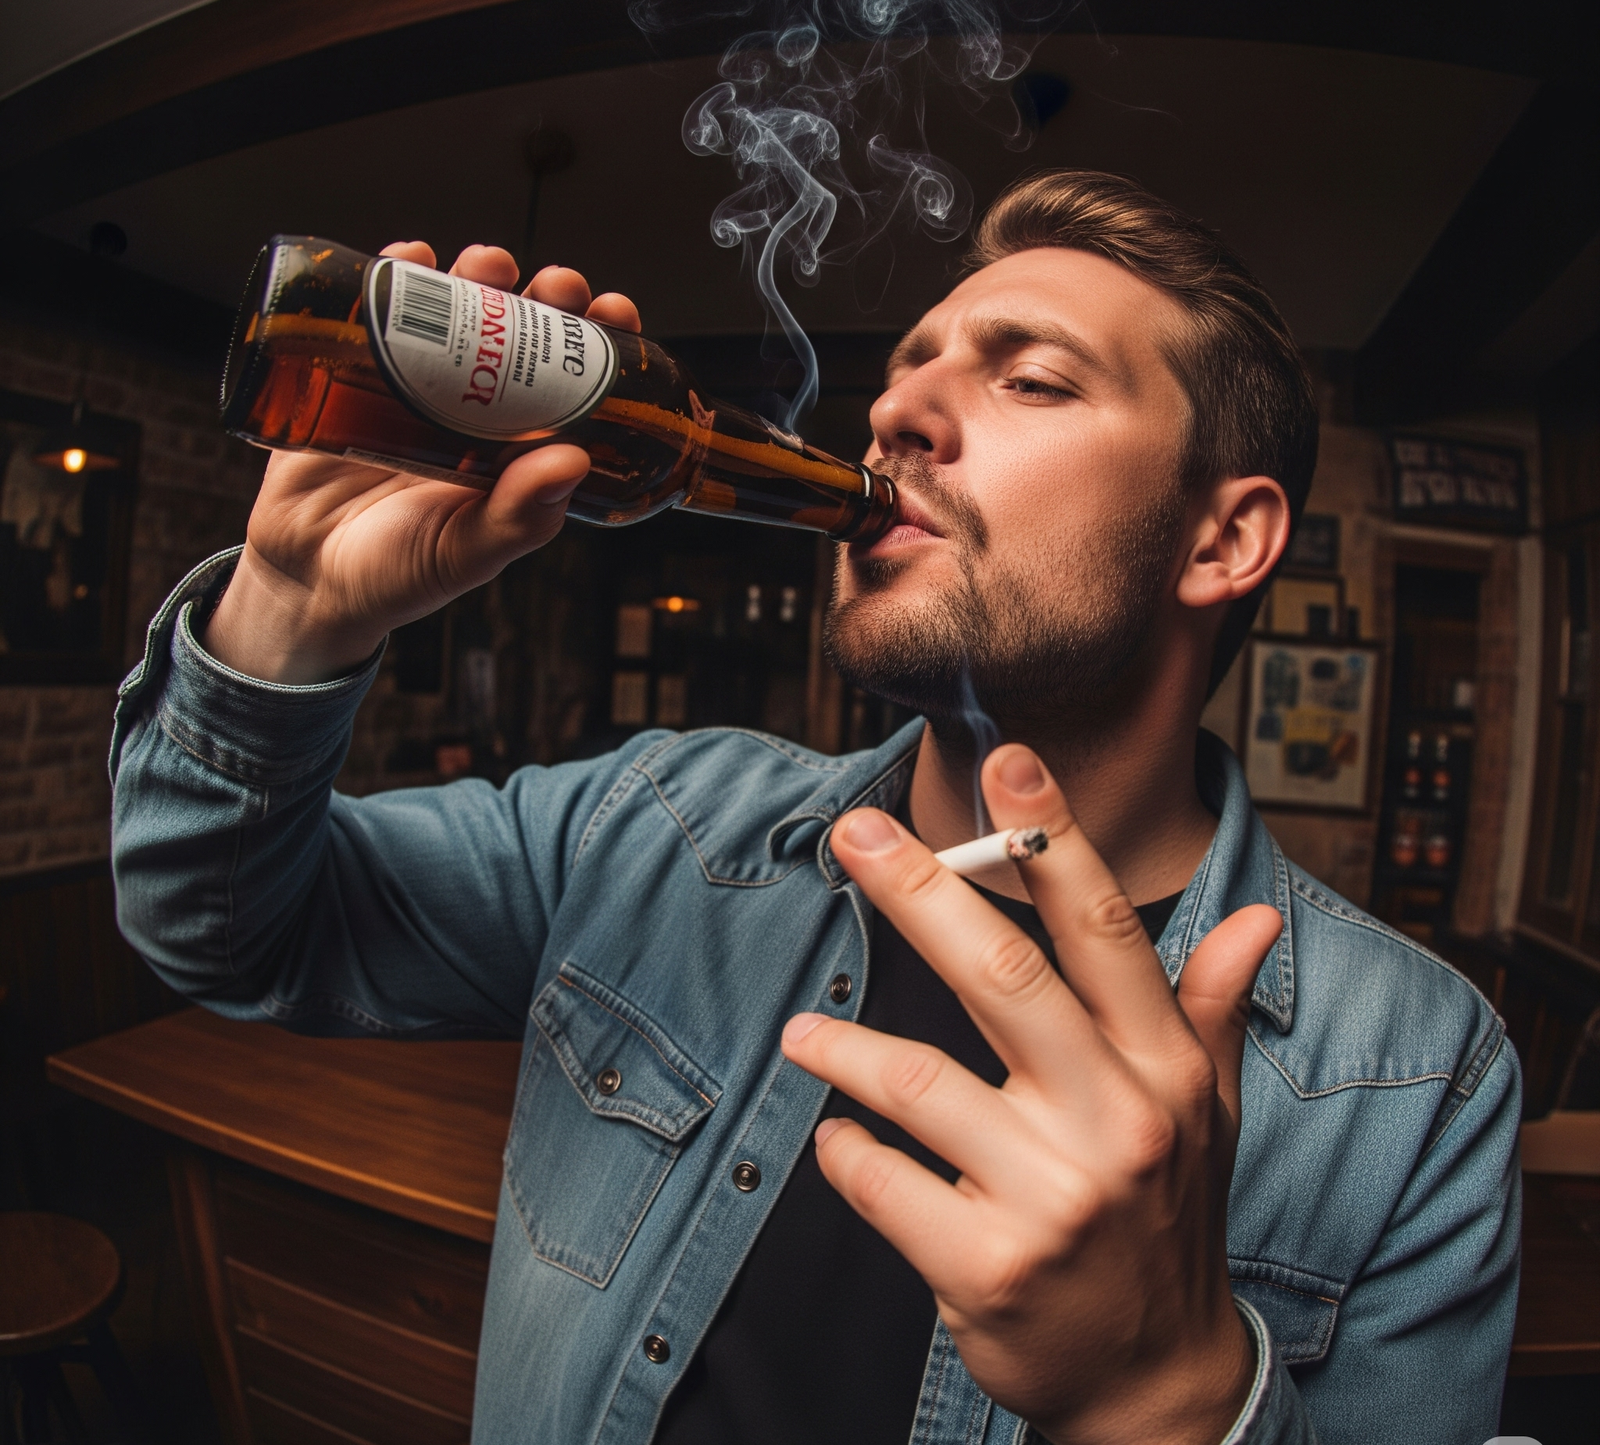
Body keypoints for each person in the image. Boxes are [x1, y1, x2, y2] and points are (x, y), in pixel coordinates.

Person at [110, 171, 1518, 1445]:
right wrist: (286, 617)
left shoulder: (1416, 1078)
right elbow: (226, 932)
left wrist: (1168, 1402)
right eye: (908, 373)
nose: (897, 414)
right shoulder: (652, 816)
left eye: (1031, 382)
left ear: (1224, 539)